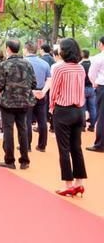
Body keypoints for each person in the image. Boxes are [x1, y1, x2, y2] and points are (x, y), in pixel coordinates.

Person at [47, 38, 87, 197]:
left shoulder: (59, 68)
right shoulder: (80, 68)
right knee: (76, 148)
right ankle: (79, 182)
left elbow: (54, 91)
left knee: (64, 149)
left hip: (63, 111)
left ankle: (68, 184)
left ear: (64, 51)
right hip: (79, 111)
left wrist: (51, 108)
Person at [0, 39, 36, 170]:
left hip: (8, 103)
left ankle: (9, 160)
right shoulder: (28, 64)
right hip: (24, 102)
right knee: (23, 129)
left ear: (8, 49)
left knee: (8, 130)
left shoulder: (4, 65)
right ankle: (24, 160)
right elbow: (34, 83)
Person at [24, 41, 51, 153]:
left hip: (27, 93)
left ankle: (27, 145)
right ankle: (42, 145)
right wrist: (43, 92)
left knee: (27, 121)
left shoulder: (23, 62)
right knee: (42, 120)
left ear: (26, 49)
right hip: (41, 93)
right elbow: (49, 79)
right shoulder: (44, 63)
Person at [86, 36, 104, 153]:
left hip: (102, 87)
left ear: (101, 44)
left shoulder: (98, 58)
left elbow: (91, 74)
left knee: (102, 116)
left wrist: (94, 83)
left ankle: (100, 144)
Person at [81, 49, 96, 132]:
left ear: (82, 55)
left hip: (83, 88)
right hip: (91, 88)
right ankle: (92, 126)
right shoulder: (92, 64)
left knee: (82, 108)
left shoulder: (80, 65)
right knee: (92, 108)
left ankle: (83, 126)